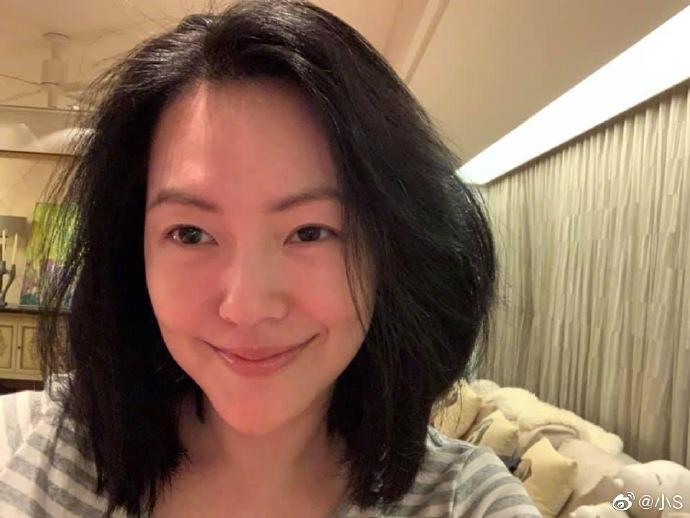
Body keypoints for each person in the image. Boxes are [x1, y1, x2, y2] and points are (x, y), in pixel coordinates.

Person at [0, 1, 540, 516]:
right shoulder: (25, 447)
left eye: (310, 232)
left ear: (391, 250)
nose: (246, 307)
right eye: (190, 233)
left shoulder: (466, 502)